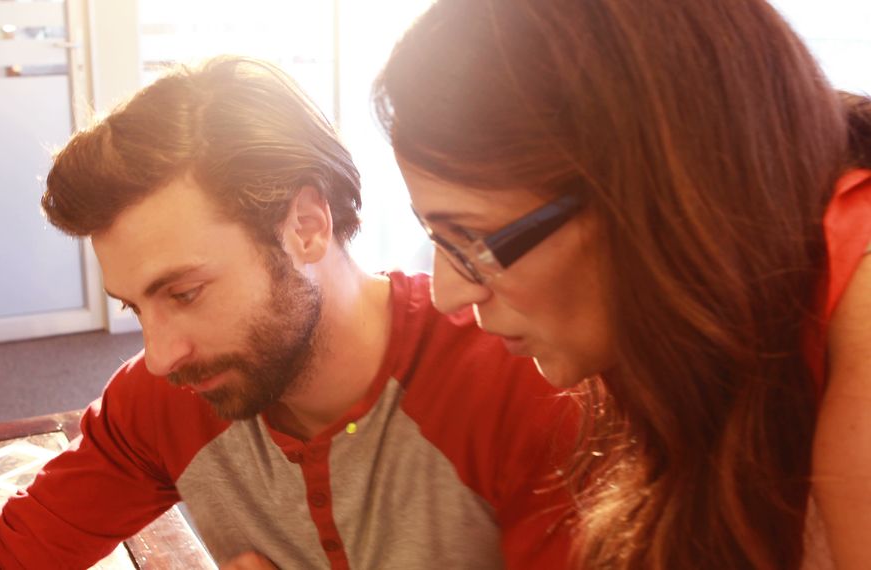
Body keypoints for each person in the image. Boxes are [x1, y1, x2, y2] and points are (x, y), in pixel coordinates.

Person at [0, 57, 578, 569]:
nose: (160, 355)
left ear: (306, 226)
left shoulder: (523, 381)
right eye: (135, 306)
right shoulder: (166, 399)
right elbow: (4, 556)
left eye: (184, 293)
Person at [373, 0, 871, 568]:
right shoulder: (701, 357)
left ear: (649, 194)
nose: (448, 294)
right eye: (435, 236)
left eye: (472, 239)